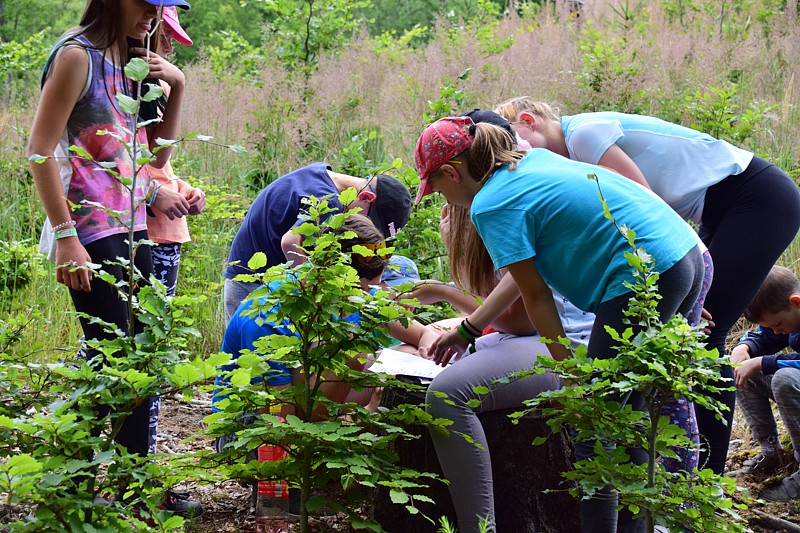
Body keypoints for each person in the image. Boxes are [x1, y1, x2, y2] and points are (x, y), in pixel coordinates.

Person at [415, 116, 704, 533]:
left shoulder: (490, 204)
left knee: (591, 425)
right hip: (682, 255)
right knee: (632, 411)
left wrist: (570, 374)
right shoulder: (528, 164)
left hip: (642, 274)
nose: (444, 198)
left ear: (451, 172)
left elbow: (535, 295)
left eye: (438, 188)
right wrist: (470, 328)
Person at [494, 97, 800, 474]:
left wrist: (695, 278)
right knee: (686, 335)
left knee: (704, 335)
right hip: (721, 208)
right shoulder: (569, 157)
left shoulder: (584, 135)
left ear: (529, 120)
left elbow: (647, 204)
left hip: (757, 197)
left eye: (514, 141)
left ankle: (707, 478)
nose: (514, 155)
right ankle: (681, 468)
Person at [27, 0, 200, 516]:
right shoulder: (76, 55)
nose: (155, 16)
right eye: (149, 5)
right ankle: (72, 492)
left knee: (140, 361)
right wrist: (65, 237)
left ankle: (125, 493)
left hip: (131, 226)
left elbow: (151, 155)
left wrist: (178, 87)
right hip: (88, 229)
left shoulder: (128, 62)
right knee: (114, 362)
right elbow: (39, 148)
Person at [406, 199, 592, 532]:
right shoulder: (499, 212)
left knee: (448, 394)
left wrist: (449, 281)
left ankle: (477, 528)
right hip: (543, 336)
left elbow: (516, 321)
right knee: (435, 361)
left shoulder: (502, 217)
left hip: (567, 345)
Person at [223, 163, 413, 321]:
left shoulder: (321, 173)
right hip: (252, 289)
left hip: (257, 282)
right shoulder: (330, 201)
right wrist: (316, 298)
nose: (363, 226)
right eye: (368, 220)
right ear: (366, 197)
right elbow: (289, 242)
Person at [147, 6, 206, 298]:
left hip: (167, 228)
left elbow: (159, 161)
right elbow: (113, 162)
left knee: (156, 322)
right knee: (121, 327)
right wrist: (155, 193)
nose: (169, 48)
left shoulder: (163, 89)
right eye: (165, 36)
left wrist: (183, 189)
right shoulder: (116, 85)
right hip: (137, 226)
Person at [732, 265, 800, 500]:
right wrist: (745, 347)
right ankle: (772, 452)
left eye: (778, 324)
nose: (778, 332)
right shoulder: (789, 315)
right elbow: (764, 335)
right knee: (742, 369)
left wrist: (765, 362)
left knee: (784, 379)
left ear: (796, 302)